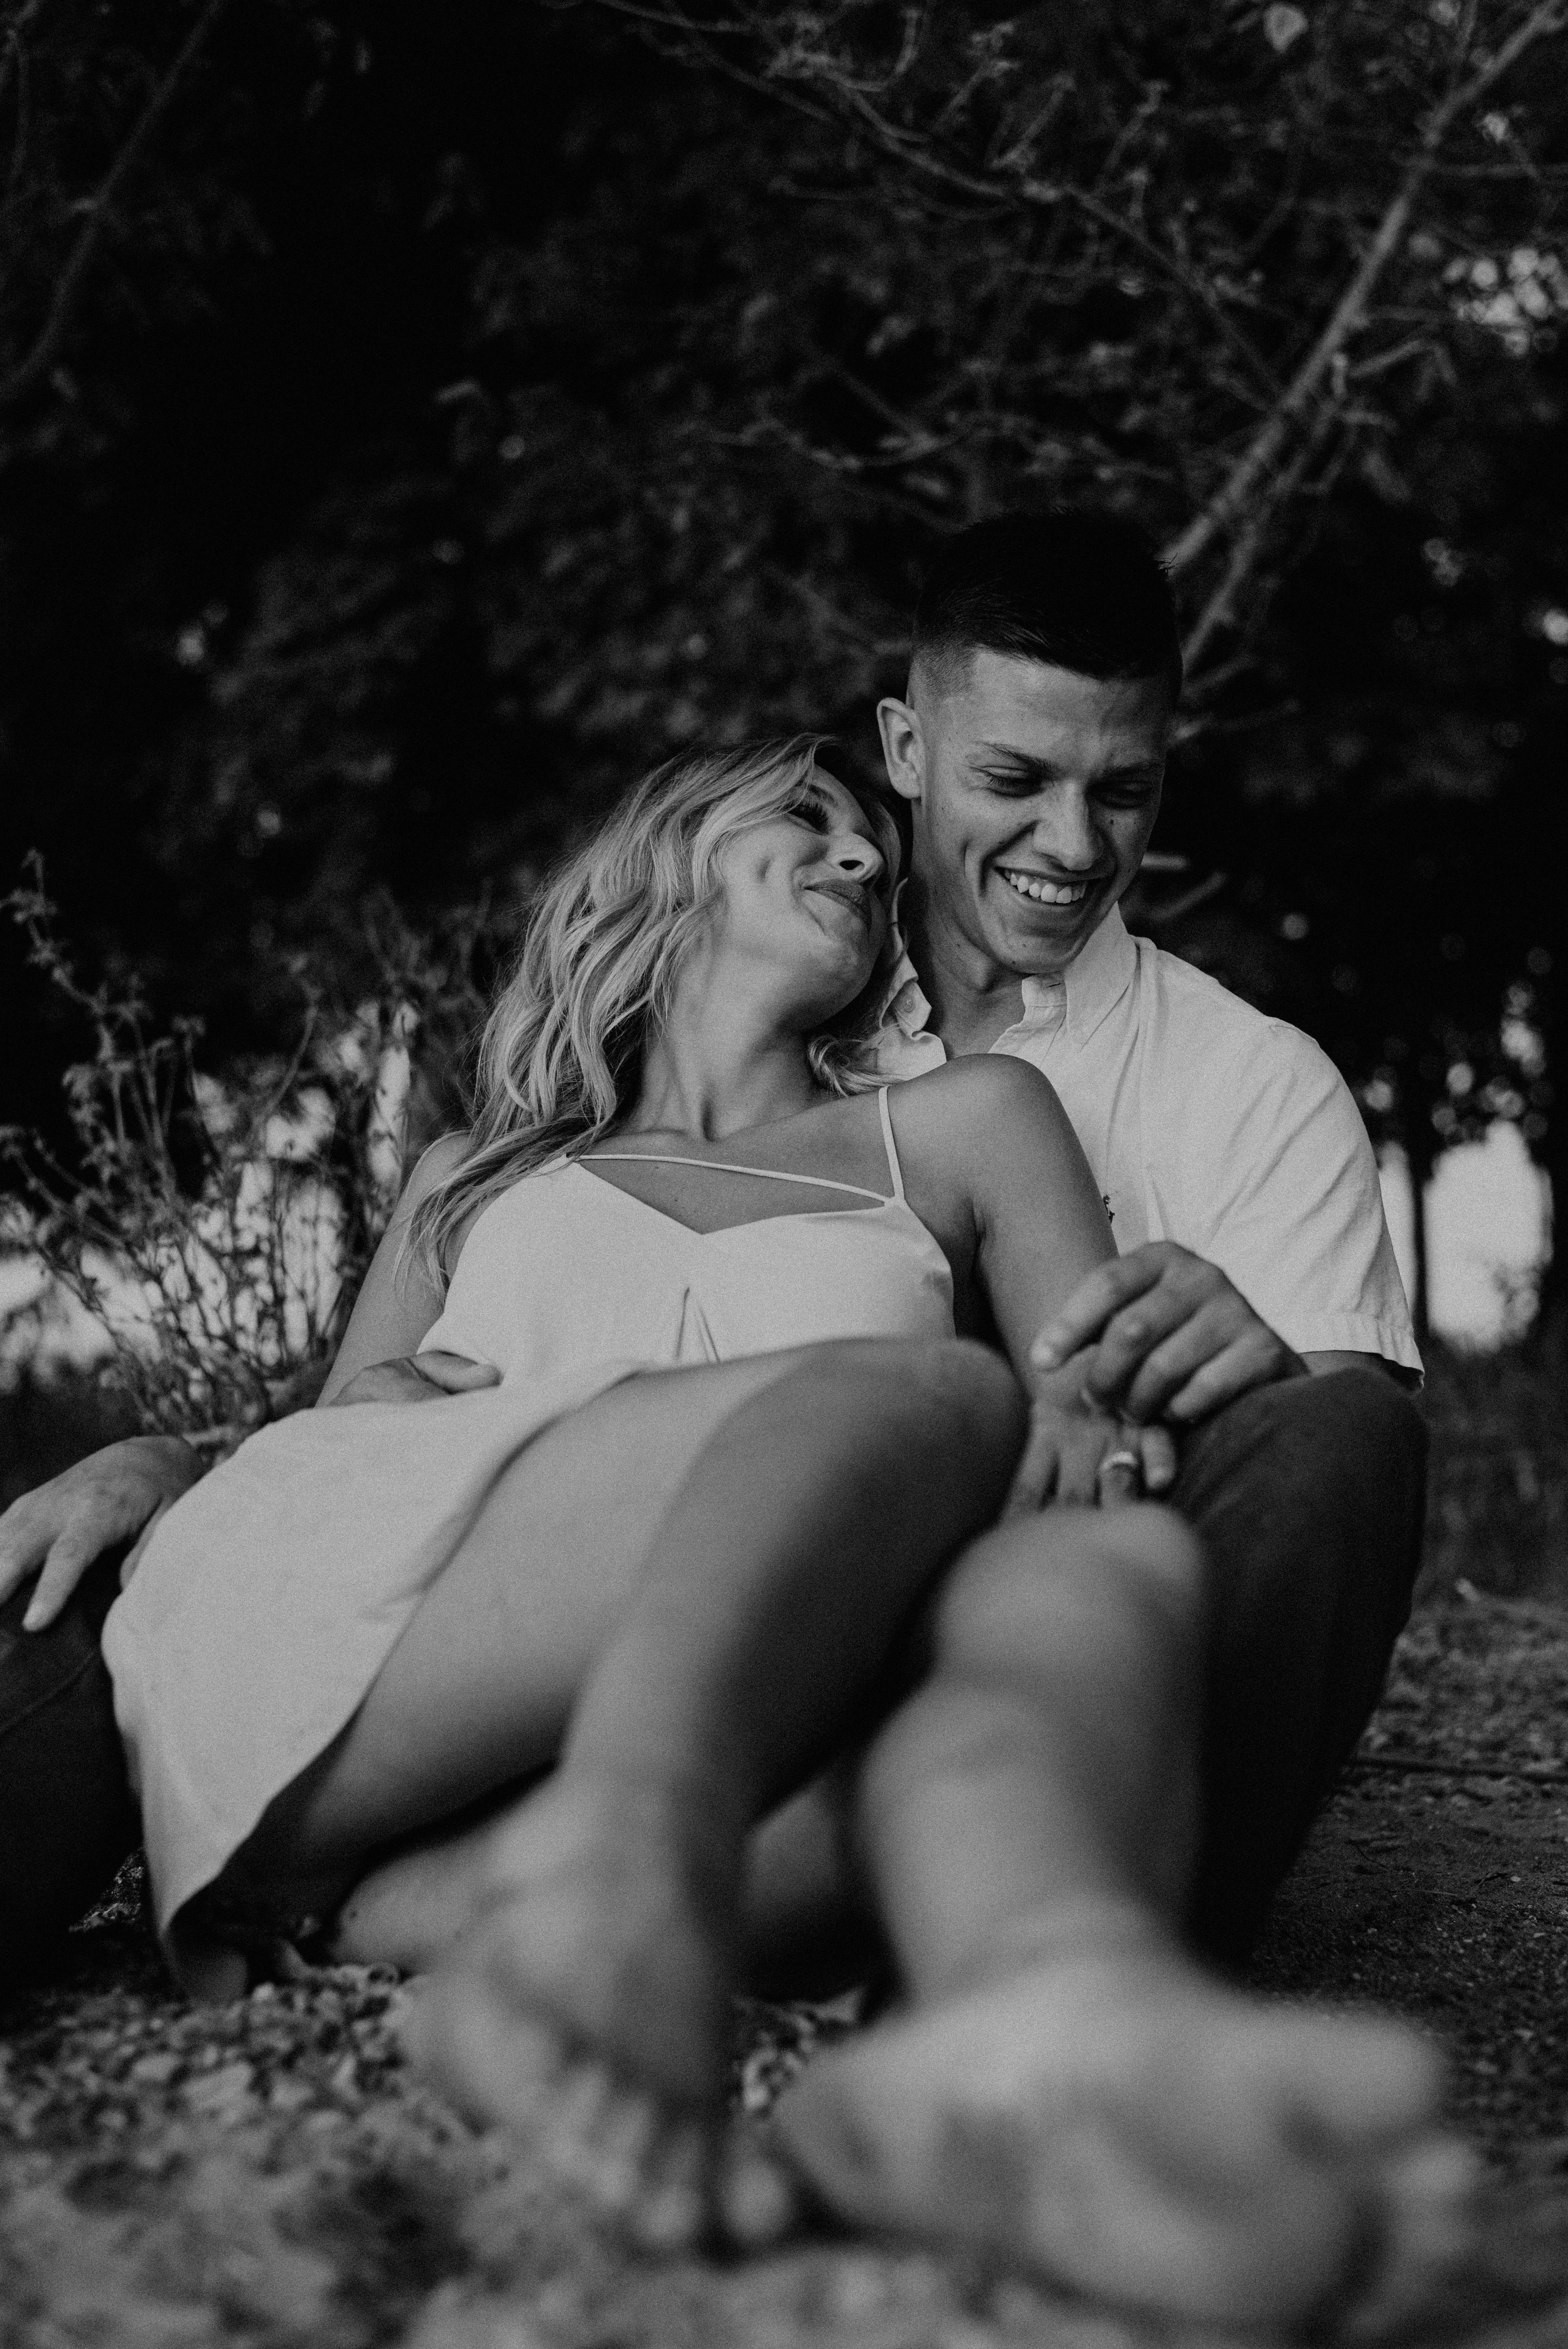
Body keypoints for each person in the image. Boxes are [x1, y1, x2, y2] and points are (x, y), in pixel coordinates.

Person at [82, 739, 1467, 2325]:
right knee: (932, 1399)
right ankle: (634, 1862)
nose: (867, 861)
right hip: (387, 1711)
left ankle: (1045, 2012)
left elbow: (1083, 1420)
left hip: (512, 1850)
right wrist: (161, 1457)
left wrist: (1128, 1397)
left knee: (1099, 1558)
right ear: (663, 864)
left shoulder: (960, 1127)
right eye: (803, 824)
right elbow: (329, 1472)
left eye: (868, 843)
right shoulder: (477, 1177)